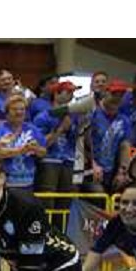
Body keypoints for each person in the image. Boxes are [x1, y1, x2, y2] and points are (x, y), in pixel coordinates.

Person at [33, 81, 80, 209]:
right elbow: (40, 144)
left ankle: (61, 229)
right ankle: (46, 227)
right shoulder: (43, 116)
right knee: (47, 198)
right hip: (50, 160)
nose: (71, 96)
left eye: (73, 92)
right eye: (68, 92)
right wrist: (60, 130)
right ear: (56, 94)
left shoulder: (73, 116)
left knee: (65, 200)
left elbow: (75, 141)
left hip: (68, 160)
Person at [0, 95, 46, 192]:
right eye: (14, 109)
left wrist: (36, 149)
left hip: (28, 182)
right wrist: (22, 150)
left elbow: (43, 152)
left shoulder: (33, 129)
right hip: (3, 183)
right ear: (7, 111)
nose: (19, 112)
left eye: (22, 109)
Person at [85, 79, 133, 195]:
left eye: (121, 95)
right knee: (99, 195)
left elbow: (125, 146)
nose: (117, 98)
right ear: (105, 93)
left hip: (111, 170)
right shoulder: (92, 114)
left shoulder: (124, 120)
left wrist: (122, 171)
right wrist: (93, 164)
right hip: (88, 168)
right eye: (114, 94)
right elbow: (83, 142)